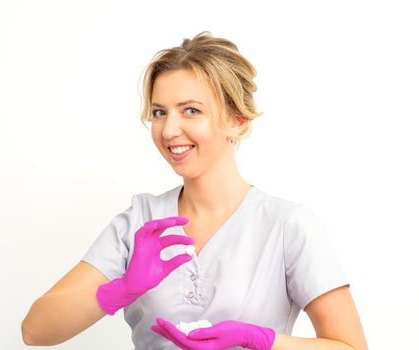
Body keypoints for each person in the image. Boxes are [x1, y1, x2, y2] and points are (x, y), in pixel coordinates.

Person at [21, 31, 368, 350]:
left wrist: (258, 339)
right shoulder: (140, 223)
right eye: (159, 112)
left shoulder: (286, 225)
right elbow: (35, 330)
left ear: (237, 119)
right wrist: (121, 289)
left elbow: (351, 347)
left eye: (191, 110)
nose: (170, 130)